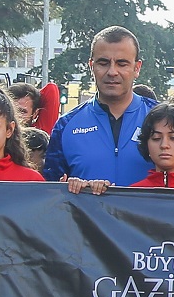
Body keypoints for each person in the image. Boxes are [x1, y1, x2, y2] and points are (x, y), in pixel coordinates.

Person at [43, 28, 154, 185]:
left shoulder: (161, 120)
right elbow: (51, 191)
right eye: (103, 63)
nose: (112, 72)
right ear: (91, 66)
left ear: (137, 68)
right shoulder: (66, 125)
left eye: (122, 64)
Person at [70, 103, 174, 193]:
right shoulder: (130, 195)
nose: (164, 145)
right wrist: (89, 192)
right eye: (156, 138)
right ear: (146, 143)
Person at [8, 83, 51, 169]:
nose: (16, 116)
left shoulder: (39, 139)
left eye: (22, 111)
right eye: (13, 110)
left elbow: (51, 89)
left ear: (35, 113)